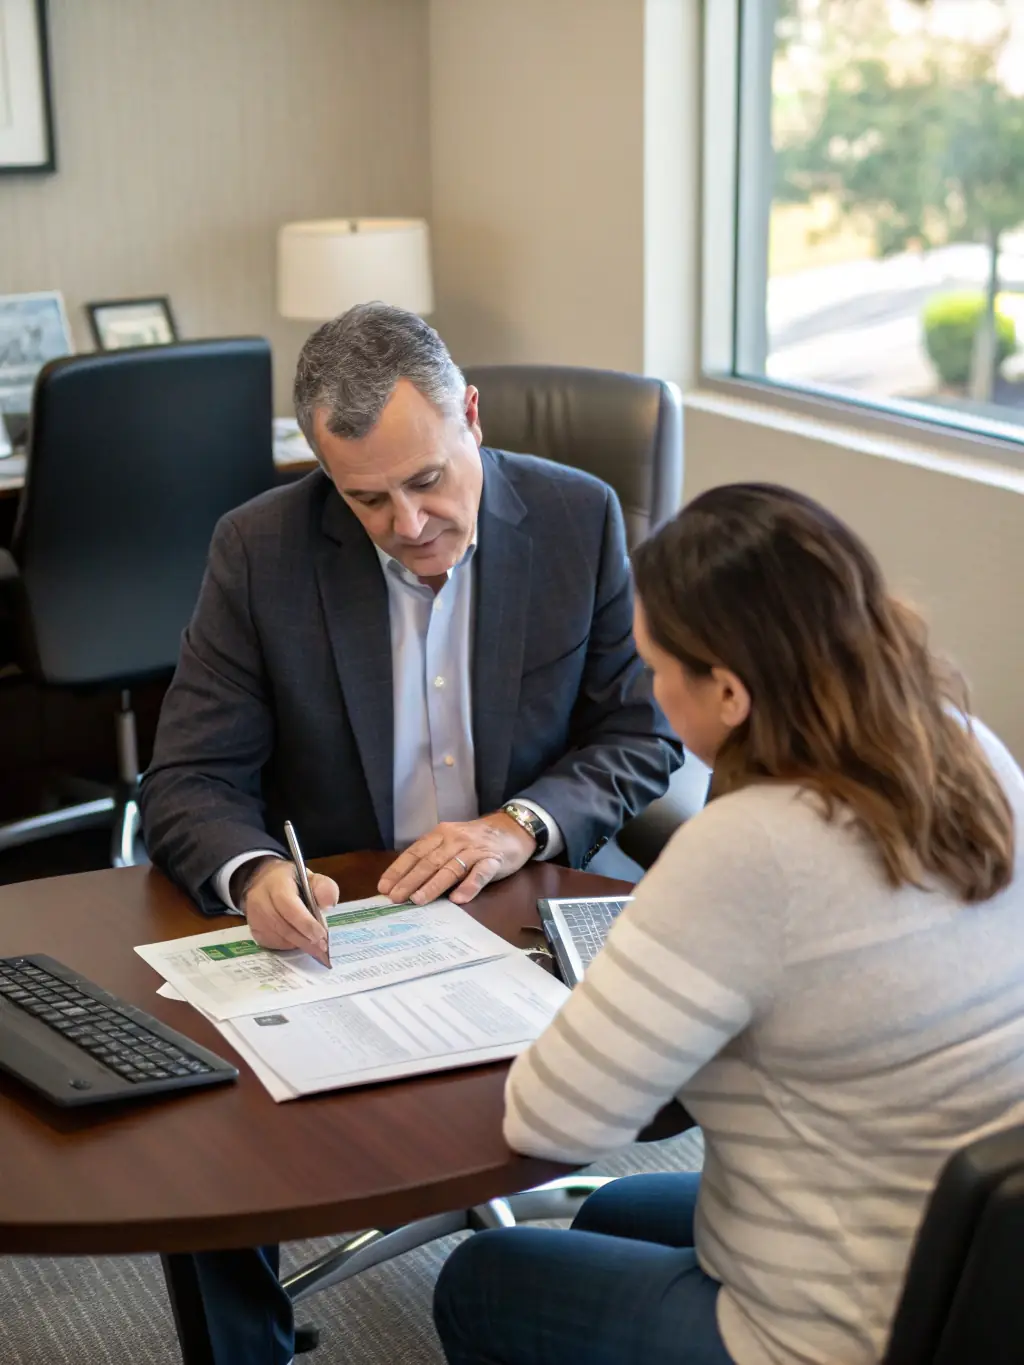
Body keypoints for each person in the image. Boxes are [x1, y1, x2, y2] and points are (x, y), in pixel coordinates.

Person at [139, 303, 681, 1365]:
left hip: (531, 900)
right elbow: (189, 777)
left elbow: (637, 731)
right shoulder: (260, 548)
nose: (407, 523)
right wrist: (253, 872)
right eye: (367, 497)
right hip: (347, 921)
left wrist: (522, 825)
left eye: (428, 479)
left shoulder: (579, 517)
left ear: (470, 415)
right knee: (194, 1107)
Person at [433, 482, 1024, 1365]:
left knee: (482, 1275)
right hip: (978, 1261)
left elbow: (551, 1122)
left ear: (732, 691)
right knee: (611, 1210)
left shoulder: (749, 848)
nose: (653, 692)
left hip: (840, 1332)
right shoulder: (968, 749)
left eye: (659, 669)